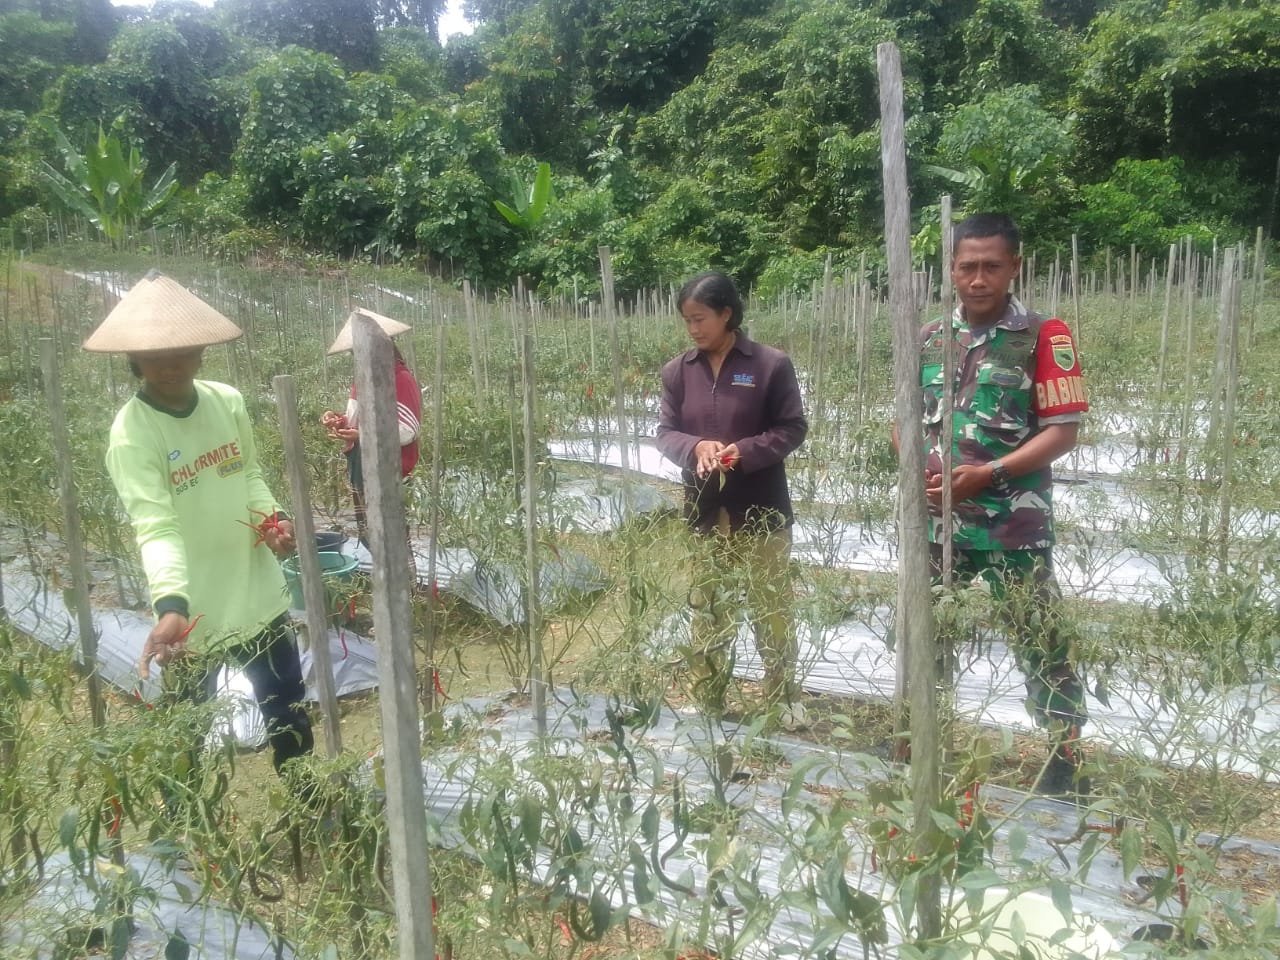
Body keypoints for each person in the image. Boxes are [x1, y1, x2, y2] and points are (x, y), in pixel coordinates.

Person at [84, 270, 314, 794]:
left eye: (183, 352)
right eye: (154, 356)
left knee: (289, 713)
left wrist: (273, 521)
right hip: (193, 619)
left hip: (258, 597)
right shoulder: (133, 434)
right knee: (188, 732)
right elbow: (155, 525)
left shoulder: (226, 401)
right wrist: (173, 605)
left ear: (201, 352)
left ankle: (309, 802)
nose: (170, 365)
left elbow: (247, 474)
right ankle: (183, 825)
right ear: (133, 359)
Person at [905, 212, 1089, 798]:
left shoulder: (1043, 336)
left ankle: (1065, 753)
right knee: (926, 633)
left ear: (1015, 267)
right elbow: (904, 420)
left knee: (1039, 638)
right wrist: (916, 468)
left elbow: (1063, 431)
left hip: (1014, 525)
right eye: (967, 267)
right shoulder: (931, 337)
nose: (978, 279)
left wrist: (990, 473)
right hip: (939, 526)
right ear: (951, 269)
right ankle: (919, 736)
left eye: (991, 266)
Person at [656, 271, 809, 729]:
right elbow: (665, 433)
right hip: (705, 511)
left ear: (727, 314)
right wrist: (696, 447)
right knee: (708, 607)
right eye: (687, 320)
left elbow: (792, 428)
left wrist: (744, 452)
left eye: (700, 318)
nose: (693, 329)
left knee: (771, 608)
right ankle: (708, 696)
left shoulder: (769, 365)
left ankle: (782, 698)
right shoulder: (678, 372)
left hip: (761, 510)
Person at [320, 308, 421, 547]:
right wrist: (338, 421)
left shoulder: (400, 379)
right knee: (370, 535)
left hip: (391, 471)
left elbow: (408, 430)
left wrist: (363, 435)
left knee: (394, 540)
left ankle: (403, 573)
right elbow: (354, 419)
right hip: (363, 466)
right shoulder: (362, 379)